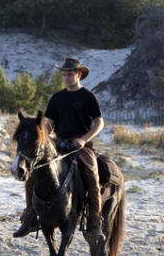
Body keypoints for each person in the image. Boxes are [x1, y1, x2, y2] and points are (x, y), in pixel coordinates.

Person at [13, 58, 105, 241]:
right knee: (33, 172)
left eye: (70, 74)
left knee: (91, 174)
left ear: (78, 74)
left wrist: (84, 139)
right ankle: (30, 216)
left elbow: (99, 122)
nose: (66, 78)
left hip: (82, 144)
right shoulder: (57, 98)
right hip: (59, 143)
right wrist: (43, 138)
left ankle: (95, 222)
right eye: (64, 74)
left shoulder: (88, 96)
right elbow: (50, 125)